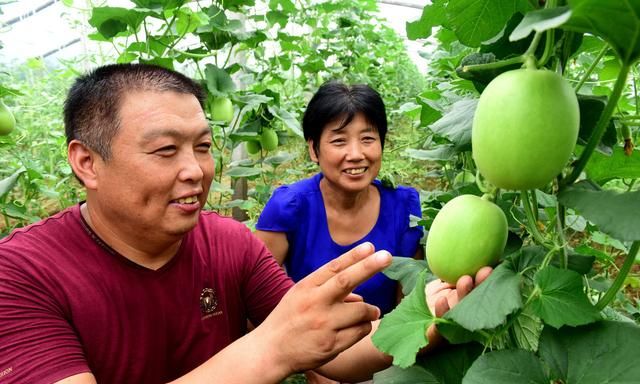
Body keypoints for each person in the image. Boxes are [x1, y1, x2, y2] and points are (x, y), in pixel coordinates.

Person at [0, 63, 487, 384]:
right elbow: (282, 342)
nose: (196, 169)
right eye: (166, 150)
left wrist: (428, 322)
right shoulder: (21, 274)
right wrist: (273, 347)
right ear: (86, 163)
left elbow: (336, 356)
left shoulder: (232, 245)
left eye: (204, 147)